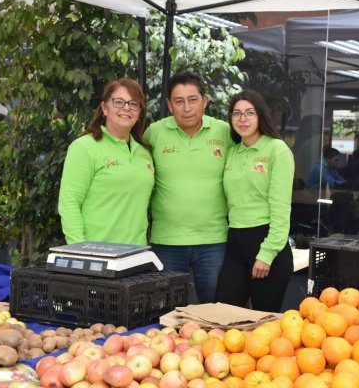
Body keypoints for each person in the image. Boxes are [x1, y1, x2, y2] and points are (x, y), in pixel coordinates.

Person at [144, 71, 232, 304]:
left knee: (214, 310)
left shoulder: (225, 132)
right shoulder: (154, 133)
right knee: (165, 311)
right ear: (169, 105)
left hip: (214, 241)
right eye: (179, 101)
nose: (187, 108)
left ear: (205, 101)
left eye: (193, 100)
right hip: (167, 242)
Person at [215, 90, 295, 312]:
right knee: (223, 315)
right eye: (237, 113)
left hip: (267, 242)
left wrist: (267, 253)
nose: (243, 119)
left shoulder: (277, 149)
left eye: (250, 113)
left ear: (261, 115)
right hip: (235, 242)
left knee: (263, 328)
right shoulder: (232, 152)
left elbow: (281, 208)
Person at [58, 77, 154, 245]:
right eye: (118, 102)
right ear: (104, 108)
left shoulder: (144, 153)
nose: (126, 108)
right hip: (96, 254)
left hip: (136, 254)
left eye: (133, 104)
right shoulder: (84, 147)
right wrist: (80, 251)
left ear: (139, 114)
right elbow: (69, 203)